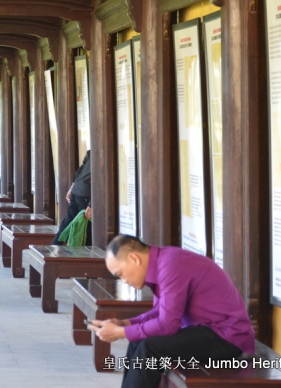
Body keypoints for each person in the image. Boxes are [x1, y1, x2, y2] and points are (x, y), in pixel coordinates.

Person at [89, 235, 255, 388]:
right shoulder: (165, 261)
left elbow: (167, 325)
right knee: (137, 342)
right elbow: (161, 312)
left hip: (226, 337)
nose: (123, 281)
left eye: (120, 274)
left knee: (148, 349)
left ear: (134, 258)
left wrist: (120, 332)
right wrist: (125, 324)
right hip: (204, 331)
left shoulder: (171, 265)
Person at [53, 149, 92, 245]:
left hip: (76, 191)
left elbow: (80, 170)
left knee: (67, 222)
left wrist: (72, 187)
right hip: (85, 194)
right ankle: (82, 257)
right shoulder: (103, 153)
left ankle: (53, 249)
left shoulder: (92, 151)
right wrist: (92, 204)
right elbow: (99, 181)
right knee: (87, 229)